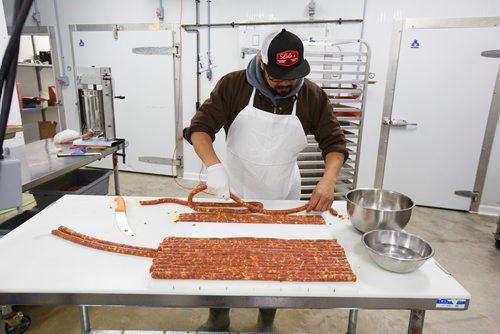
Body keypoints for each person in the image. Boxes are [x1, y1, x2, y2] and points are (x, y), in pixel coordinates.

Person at [183, 29, 348, 332]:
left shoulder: (311, 95)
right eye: (278, 78)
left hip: (281, 190)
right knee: (223, 256)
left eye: (292, 77)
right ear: (262, 62)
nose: (286, 84)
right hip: (234, 187)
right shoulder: (233, 85)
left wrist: (328, 180)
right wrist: (213, 166)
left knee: (275, 258)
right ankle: (218, 318)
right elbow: (200, 128)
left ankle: (266, 321)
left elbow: (334, 144)